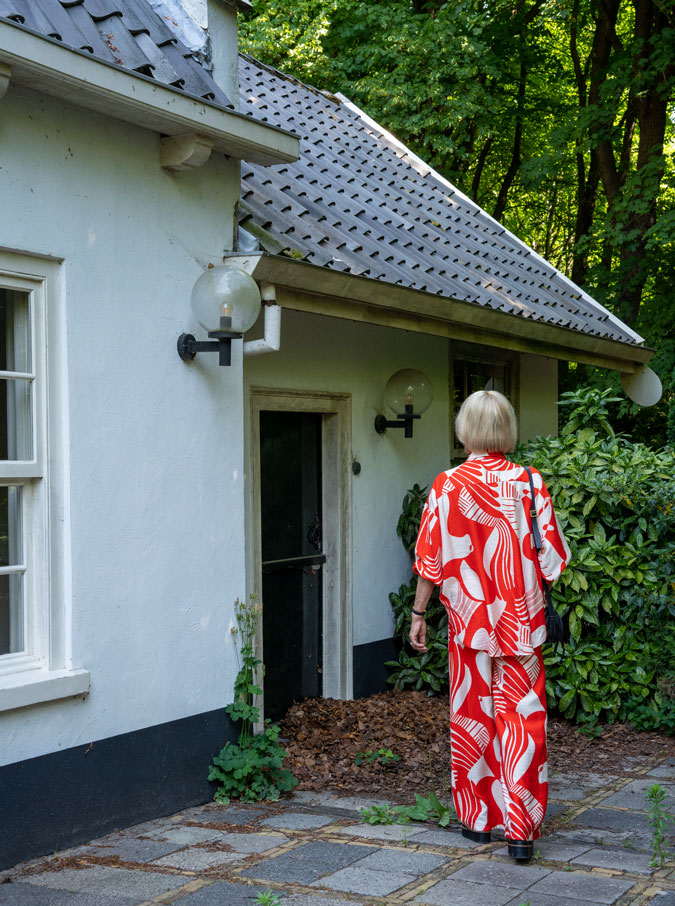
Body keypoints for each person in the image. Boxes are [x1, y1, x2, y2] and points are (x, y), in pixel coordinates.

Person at [409, 389, 570, 861]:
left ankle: (479, 822)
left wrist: (419, 615)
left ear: (464, 429)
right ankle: (521, 834)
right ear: (507, 428)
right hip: (521, 623)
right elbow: (554, 560)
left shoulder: (446, 486)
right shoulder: (530, 482)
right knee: (523, 725)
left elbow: (430, 562)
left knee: (472, 718)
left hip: (469, 623)